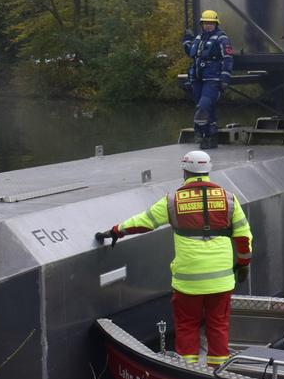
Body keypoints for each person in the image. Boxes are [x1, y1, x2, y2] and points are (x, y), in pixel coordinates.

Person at [94, 150, 253, 367]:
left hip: (188, 282)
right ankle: (218, 372)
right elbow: (244, 236)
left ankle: (188, 369)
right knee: (218, 324)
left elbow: (144, 222)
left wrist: (115, 231)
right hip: (221, 280)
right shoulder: (229, 199)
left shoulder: (173, 200)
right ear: (209, 169)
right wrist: (243, 264)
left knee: (187, 325)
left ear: (184, 171)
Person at [185, 10, 233, 149]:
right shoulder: (199, 38)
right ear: (202, 24)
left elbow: (228, 58)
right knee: (208, 110)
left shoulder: (222, 39)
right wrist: (186, 41)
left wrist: (225, 77)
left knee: (203, 106)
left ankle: (199, 132)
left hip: (213, 78)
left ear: (216, 24)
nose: (208, 25)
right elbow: (192, 53)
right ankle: (210, 137)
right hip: (197, 78)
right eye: (206, 23)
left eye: (211, 23)